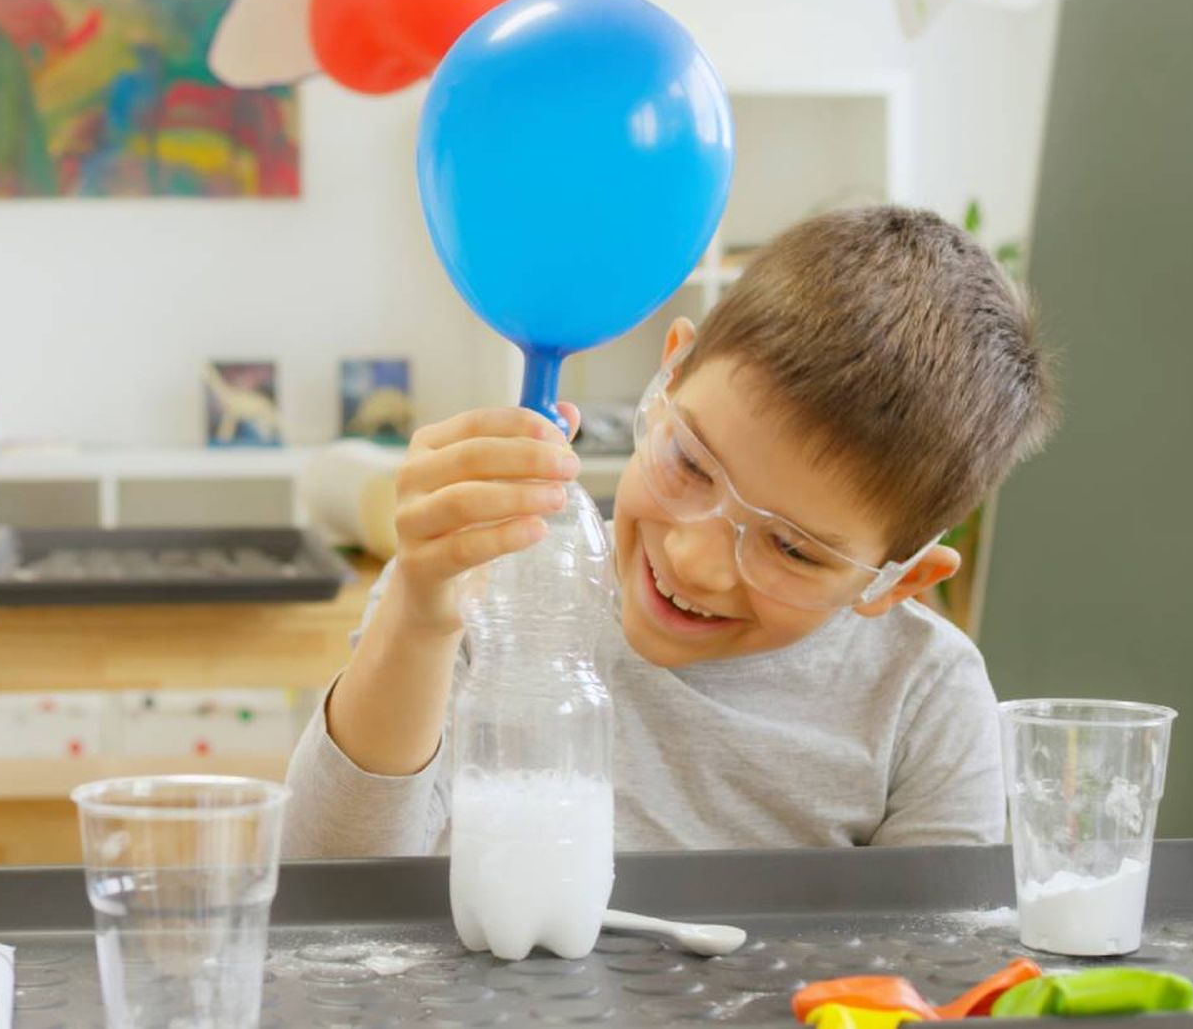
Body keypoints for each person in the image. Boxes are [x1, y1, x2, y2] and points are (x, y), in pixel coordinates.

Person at [283, 205, 1057, 855]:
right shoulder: (479, 587)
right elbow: (334, 897)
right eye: (689, 463)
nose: (694, 561)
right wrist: (418, 619)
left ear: (900, 581)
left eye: (792, 548)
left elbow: (930, 969)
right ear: (671, 375)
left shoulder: (923, 698)